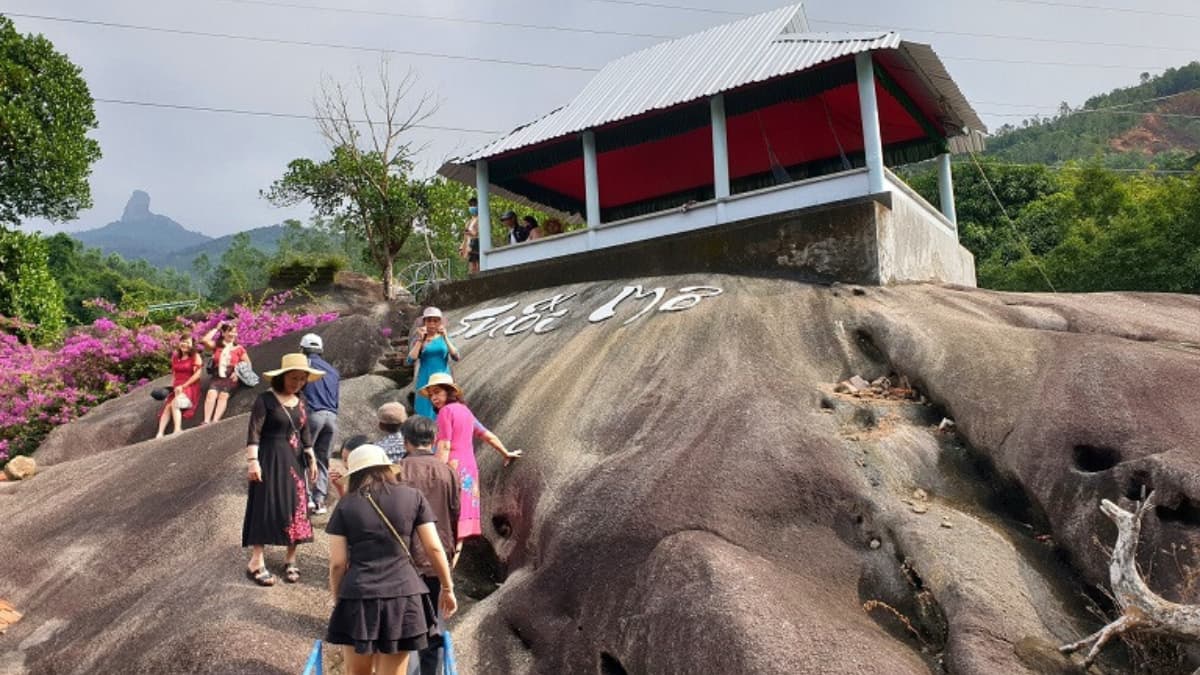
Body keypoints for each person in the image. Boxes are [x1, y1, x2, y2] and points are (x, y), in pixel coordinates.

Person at [325, 444, 458, 675]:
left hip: (358, 595)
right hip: (403, 596)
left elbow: (338, 563)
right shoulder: (412, 496)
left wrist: (339, 598)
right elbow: (434, 548)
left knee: (357, 673)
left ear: (354, 474)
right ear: (387, 468)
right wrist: (447, 587)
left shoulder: (346, 504)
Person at [242, 353, 323, 587]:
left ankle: (291, 558)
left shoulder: (301, 400)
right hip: (269, 456)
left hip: (294, 458)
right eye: (293, 378)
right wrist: (252, 461)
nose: (297, 383)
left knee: (296, 503)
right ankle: (256, 560)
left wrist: (311, 454)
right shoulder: (265, 400)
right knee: (264, 503)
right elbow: (254, 431)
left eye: (302, 379)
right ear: (282, 376)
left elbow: (304, 429)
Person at [419, 373, 521, 555]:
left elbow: (444, 444)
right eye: (431, 394)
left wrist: (436, 474)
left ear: (449, 392)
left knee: (446, 516)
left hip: (451, 467)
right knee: (462, 519)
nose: (434, 397)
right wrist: (505, 452)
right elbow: (485, 434)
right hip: (469, 468)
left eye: (437, 392)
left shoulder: (445, 412)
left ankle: (443, 565)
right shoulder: (465, 411)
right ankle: (453, 562)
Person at [399, 415, 460, 675]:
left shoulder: (397, 470)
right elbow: (455, 510)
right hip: (439, 556)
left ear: (405, 441)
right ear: (434, 440)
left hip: (405, 556)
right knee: (433, 624)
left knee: (403, 623)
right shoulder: (448, 472)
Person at [301, 333, 340, 516]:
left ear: (302, 349)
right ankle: (320, 501)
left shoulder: (305, 365)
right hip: (331, 417)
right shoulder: (333, 370)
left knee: (303, 455)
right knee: (323, 459)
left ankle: (307, 497)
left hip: (313, 414)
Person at [406, 307, 460, 421]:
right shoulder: (419, 340)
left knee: (446, 409)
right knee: (426, 409)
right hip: (426, 379)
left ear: (440, 322)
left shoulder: (444, 338)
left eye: (435, 321)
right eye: (429, 320)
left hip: (443, 378)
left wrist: (445, 337)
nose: (432, 324)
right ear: (424, 322)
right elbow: (410, 360)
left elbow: (456, 356)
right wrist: (420, 340)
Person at [201, 322, 251, 424]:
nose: (232, 334)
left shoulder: (238, 348)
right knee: (211, 394)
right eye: (230, 331)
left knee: (223, 395)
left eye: (234, 332)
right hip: (217, 375)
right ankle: (206, 421)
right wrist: (216, 328)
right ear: (223, 333)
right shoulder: (217, 346)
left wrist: (238, 373)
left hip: (231, 375)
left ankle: (215, 420)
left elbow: (248, 363)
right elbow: (205, 340)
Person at [155, 334, 203, 438]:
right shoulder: (176, 357)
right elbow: (174, 375)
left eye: (187, 342)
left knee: (175, 404)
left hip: (189, 387)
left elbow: (197, 375)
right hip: (177, 387)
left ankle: (177, 429)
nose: (184, 344)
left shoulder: (195, 356)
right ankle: (160, 433)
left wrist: (184, 386)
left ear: (192, 345)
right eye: (183, 341)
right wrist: (171, 389)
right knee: (167, 407)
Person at [329, 434, 370, 500]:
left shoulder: (374, 483)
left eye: (349, 460)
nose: (346, 465)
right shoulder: (356, 477)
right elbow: (348, 504)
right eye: (344, 460)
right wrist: (340, 487)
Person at [459, 197, 480, 275]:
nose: (472, 207)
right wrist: (462, 248)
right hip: (469, 246)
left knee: (477, 265)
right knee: (471, 266)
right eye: (471, 205)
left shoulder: (481, 219)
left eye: (474, 205)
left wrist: (472, 233)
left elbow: (480, 233)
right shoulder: (468, 222)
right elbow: (465, 237)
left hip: (477, 244)